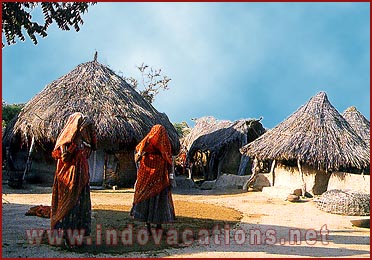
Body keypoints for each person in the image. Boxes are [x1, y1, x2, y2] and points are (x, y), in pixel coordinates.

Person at [50, 112, 97, 247]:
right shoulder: (66, 141)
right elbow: (65, 158)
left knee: (79, 208)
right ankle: (66, 239)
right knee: (68, 207)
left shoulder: (83, 142)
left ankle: (77, 238)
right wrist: (73, 146)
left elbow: (93, 146)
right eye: (82, 127)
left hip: (81, 181)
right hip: (68, 180)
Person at [130, 124, 176, 234]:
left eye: (160, 133)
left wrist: (170, 177)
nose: (157, 136)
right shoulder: (145, 144)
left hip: (160, 179)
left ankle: (158, 225)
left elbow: (169, 162)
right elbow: (136, 159)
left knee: (159, 200)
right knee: (147, 199)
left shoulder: (165, 146)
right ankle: (148, 226)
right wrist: (142, 151)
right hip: (147, 178)